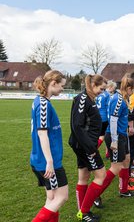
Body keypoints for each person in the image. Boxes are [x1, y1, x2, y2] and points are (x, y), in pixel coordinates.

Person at [69, 74, 107, 222]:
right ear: (92, 84)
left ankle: (82, 211)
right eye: (101, 89)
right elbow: (76, 126)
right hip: (85, 146)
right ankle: (84, 212)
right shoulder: (82, 98)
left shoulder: (90, 99)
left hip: (85, 144)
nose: (102, 92)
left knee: (84, 176)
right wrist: (90, 148)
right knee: (100, 175)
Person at [31, 70, 68, 222]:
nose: (63, 89)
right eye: (62, 85)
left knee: (52, 198)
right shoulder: (43, 104)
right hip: (48, 161)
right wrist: (50, 162)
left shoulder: (39, 101)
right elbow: (42, 134)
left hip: (42, 160)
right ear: (53, 83)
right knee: (62, 197)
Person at [104, 75, 134, 197]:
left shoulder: (124, 99)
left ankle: (123, 190)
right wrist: (114, 140)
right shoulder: (118, 99)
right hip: (116, 136)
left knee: (126, 161)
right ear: (128, 88)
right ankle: (96, 193)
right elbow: (113, 120)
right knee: (115, 167)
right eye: (133, 89)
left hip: (122, 135)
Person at [96, 80, 116, 159]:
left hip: (98, 116)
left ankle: (108, 154)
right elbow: (108, 107)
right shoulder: (107, 95)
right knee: (104, 136)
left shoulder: (99, 94)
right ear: (110, 87)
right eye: (113, 88)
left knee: (105, 135)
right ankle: (93, 150)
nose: (113, 91)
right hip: (104, 118)